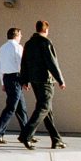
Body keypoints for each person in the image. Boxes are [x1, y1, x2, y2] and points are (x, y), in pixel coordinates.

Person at [19, 20, 66, 150]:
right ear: (46, 30)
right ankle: (26, 135)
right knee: (44, 108)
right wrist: (60, 79)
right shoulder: (45, 42)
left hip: (34, 80)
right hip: (45, 80)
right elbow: (52, 63)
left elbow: (24, 62)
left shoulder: (28, 43)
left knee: (47, 110)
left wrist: (24, 80)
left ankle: (56, 140)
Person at [0, 27, 34, 144]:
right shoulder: (18, 47)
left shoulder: (2, 48)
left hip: (7, 78)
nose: (21, 37)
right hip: (16, 78)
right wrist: (25, 81)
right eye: (20, 35)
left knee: (21, 108)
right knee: (11, 107)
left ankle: (27, 133)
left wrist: (3, 82)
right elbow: (21, 65)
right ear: (16, 35)